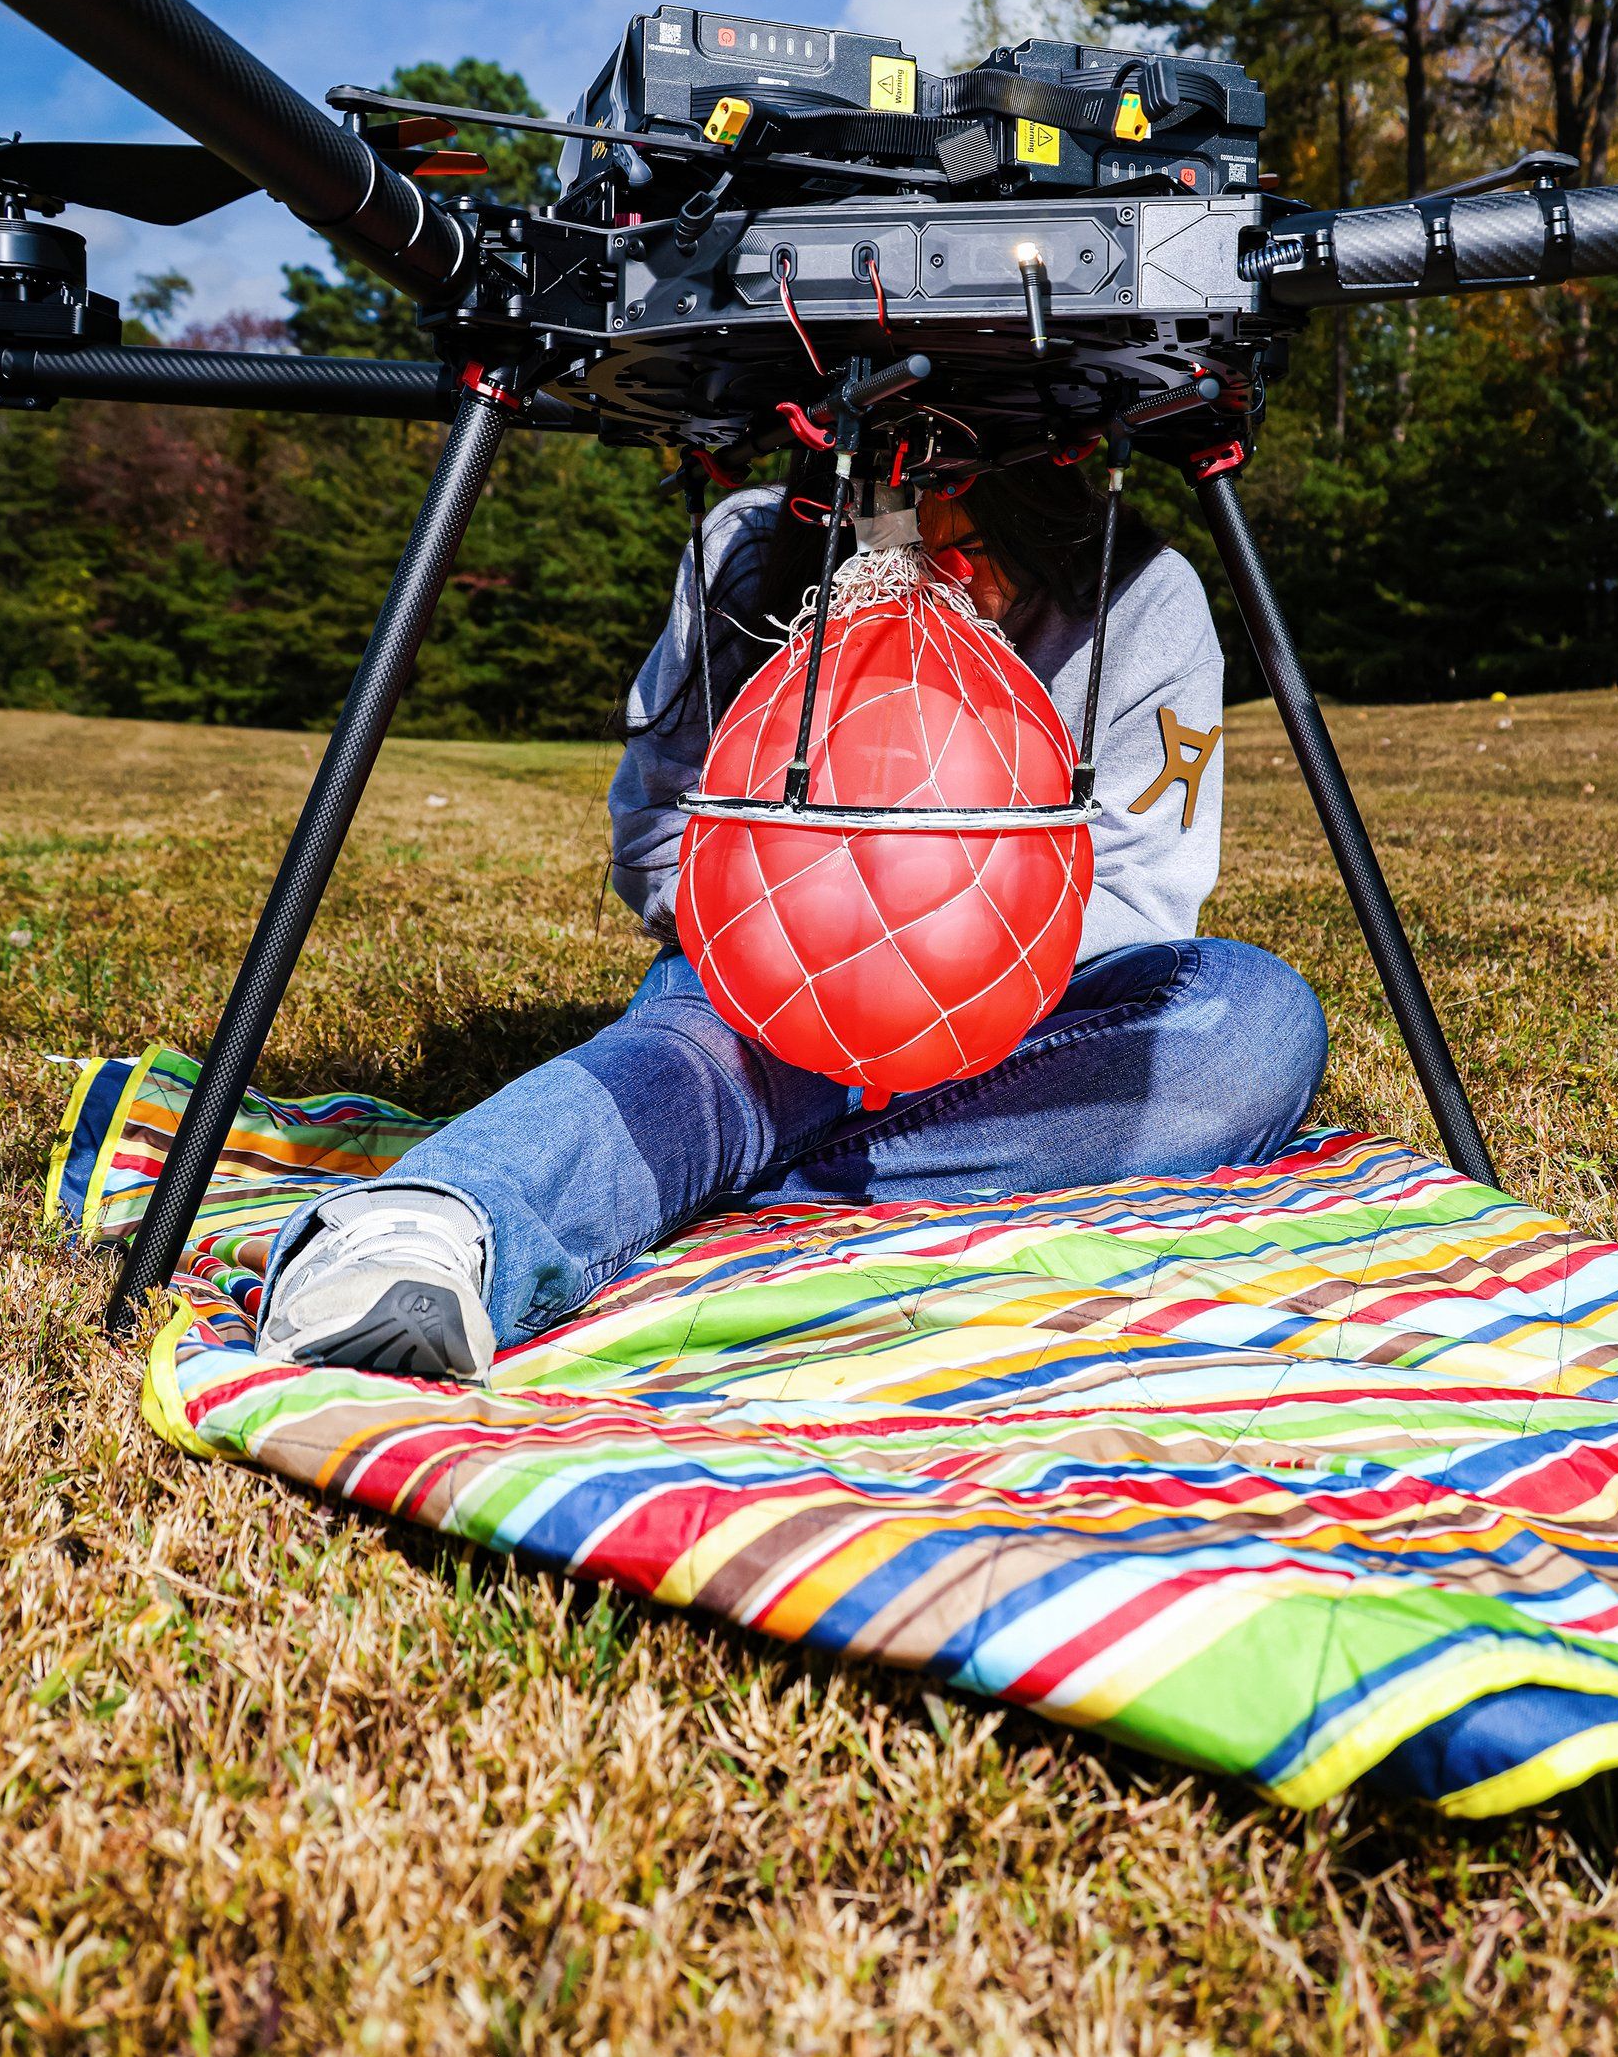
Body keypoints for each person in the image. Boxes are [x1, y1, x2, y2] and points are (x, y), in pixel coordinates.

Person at [256, 461, 1328, 1380]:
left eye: (971, 531)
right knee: (694, 1053)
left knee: (1254, 1023)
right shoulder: (748, 544)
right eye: (902, 521)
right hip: (764, 996)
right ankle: (428, 1227)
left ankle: (704, 1176)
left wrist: (930, 965)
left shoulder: (1142, 595)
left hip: (1019, 1022)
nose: (946, 568)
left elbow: (1145, 899)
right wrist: (799, 928)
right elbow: (652, 836)